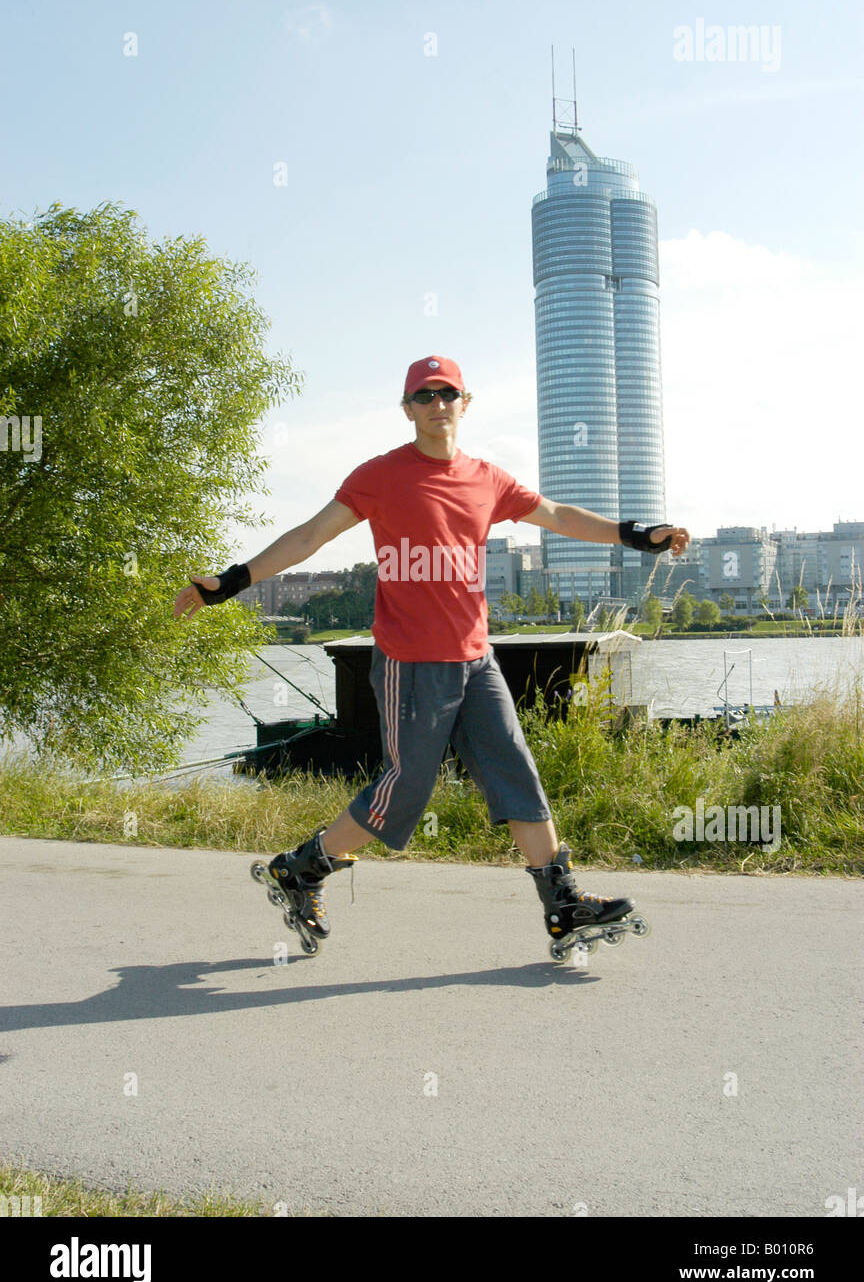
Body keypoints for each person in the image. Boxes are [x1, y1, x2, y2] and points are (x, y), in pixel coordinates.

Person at [173, 356, 690, 945]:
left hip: (475, 658)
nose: (436, 403)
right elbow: (309, 536)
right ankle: (301, 869)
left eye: (447, 393)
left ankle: (562, 901)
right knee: (406, 788)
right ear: (407, 408)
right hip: (410, 663)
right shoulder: (380, 475)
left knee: (513, 769)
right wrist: (233, 581)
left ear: (465, 403)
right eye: (424, 395)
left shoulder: (486, 478)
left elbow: (557, 515)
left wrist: (634, 535)